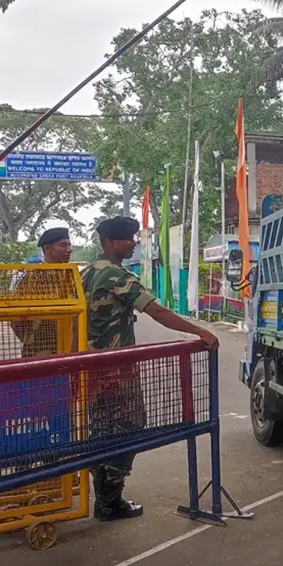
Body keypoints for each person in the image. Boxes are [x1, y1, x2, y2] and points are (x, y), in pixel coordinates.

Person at [82, 216, 219, 522]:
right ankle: (110, 501)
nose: (133, 243)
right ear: (110, 243)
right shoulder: (116, 275)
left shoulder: (86, 272)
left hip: (91, 367)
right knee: (129, 427)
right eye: (127, 239)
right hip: (116, 369)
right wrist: (200, 331)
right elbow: (155, 310)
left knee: (101, 429)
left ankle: (102, 499)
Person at [10, 227, 74, 357]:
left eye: (69, 244)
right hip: (41, 350)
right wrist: (32, 339)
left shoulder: (71, 275)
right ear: (48, 249)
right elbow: (15, 318)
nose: (69, 249)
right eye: (63, 245)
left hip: (71, 347)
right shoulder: (32, 277)